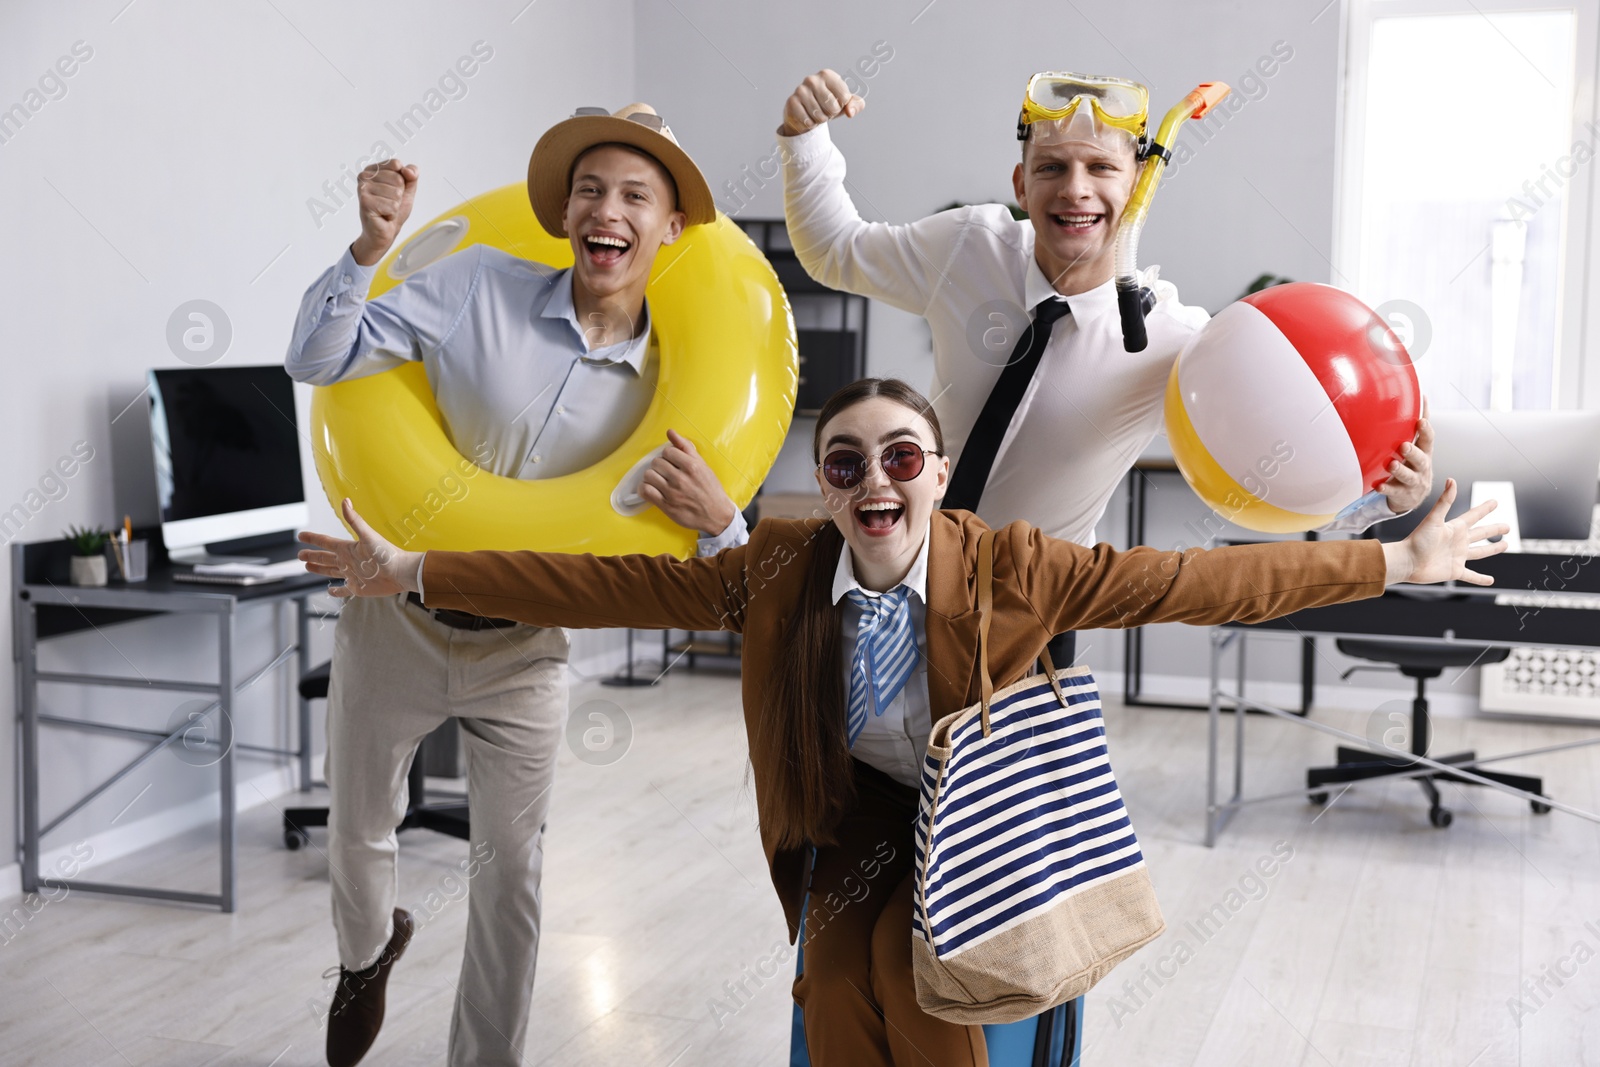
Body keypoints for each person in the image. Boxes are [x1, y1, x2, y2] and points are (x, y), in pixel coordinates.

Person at [298, 377, 1505, 1067]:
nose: (874, 479)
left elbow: (1194, 581)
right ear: (824, 486)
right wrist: (410, 569)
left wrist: (1392, 553)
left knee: (921, 987)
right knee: (836, 975)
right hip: (859, 815)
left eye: (900, 456)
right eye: (844, 463)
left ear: (934, 474)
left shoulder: (1019, 565)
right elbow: (599, 582)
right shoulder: (776, 567)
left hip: (982, 822)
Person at [284, 104, 743, 1067]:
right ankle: (365, 958)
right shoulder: (475, 286)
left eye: (633, 195)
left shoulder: (674, 384)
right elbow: (317, 359)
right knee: (360, 828)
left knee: (510, 876)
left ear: (668, 226)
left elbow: (691, 561)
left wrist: (719, 519)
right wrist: (369, 250)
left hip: (526, 648)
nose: (604, 211)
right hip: (396, 616)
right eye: (588, 189)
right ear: (564, 210)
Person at [768, 68, 1436, 668]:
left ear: (1140, 183)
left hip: (1034, 613)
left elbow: (1281, 468)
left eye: (1101, 168)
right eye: (1052, 167)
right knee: (879, 788)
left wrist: (1380, 499)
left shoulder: (1178, 341)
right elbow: (834, 251)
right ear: (1021, 183)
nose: (1075, 189)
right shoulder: (969, 246)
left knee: (1010, 802)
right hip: (903, 577)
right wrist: (805, 139)